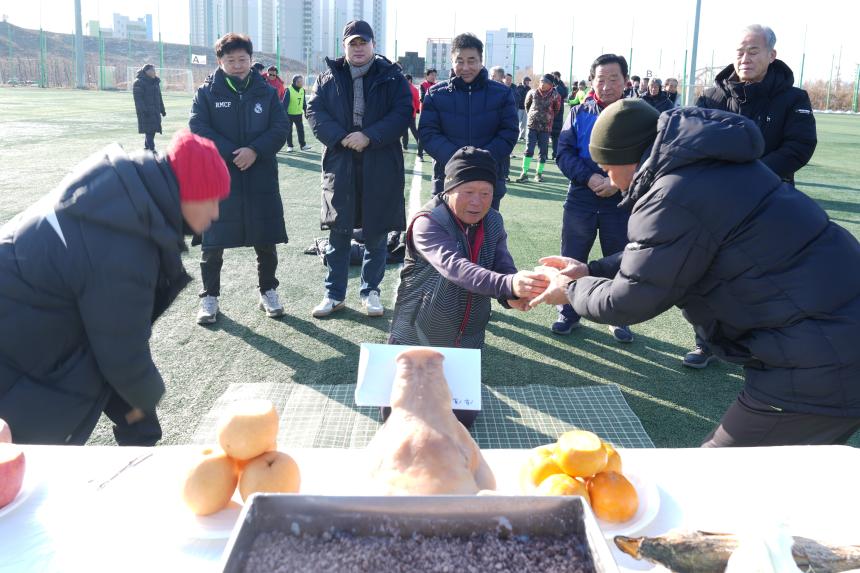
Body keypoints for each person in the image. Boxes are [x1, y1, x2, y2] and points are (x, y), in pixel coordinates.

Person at [530, 99, 860, 448]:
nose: (609, 179)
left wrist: (572, 289)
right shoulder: (708, 168)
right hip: (835, 334)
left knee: (715, 474)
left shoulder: (671, 194)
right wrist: (591, 270)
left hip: (820, 361)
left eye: (606, 167)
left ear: (628, 158)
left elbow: (629, 300)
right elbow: (676, 249)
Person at [0, 129, 230, 445]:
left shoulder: (127, 197)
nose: (215, 213)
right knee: (28, 459)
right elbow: (120, 350)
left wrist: (142, 413)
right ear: (188, 193)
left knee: (129, 403)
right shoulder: (127, 242)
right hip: (15, 338)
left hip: (23, 315)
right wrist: (149, 396)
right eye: (211, 200)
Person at [685, 24, 818, 369]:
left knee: (767, 279)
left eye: (753, 51)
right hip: (717, 204)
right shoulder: (712, 97)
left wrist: (751, 177)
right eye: (740, 52)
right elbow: (693, 143)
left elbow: (799, 146)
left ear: (772, 55)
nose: (745, 58)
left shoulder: (793, 98)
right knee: (706, 275)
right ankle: (706, 343)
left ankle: (764, 348)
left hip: (771, 204)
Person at [389, 147, 549, 428]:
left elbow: (502, 264)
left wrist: (511, 295)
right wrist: (508, 284)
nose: (477, 201)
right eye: (468, 191)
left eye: (486, 193)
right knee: (401, 420)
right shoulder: (427, 222)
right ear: (449, 188)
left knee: (462, 421)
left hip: (468, 336)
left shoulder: (494, 220)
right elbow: (455, 267)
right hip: (418, 331)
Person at [306, 20, 412, 318]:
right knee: (338, 232)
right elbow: (314, 111)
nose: (358, 48)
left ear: (373, 45)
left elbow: (402, 112)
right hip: (341, 160)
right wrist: (342, 137)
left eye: (363, 42)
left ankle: (370, 292)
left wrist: (369, 136)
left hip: (380, 161)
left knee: (376, 233)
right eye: (353, 43)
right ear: (344, 46)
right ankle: (334, 294)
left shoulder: (392, 77)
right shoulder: (328, 77)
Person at [189, 32, 289, 325]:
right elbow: (198, 127)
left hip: (260, 176)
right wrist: (233, 153)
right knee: (212, 242)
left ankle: (268, 291)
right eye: (230, 60)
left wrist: (255, 150)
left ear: (250, 59)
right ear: (220, 61)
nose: (237, 65)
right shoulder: (206, 93)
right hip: (218, 176)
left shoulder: (266, 92)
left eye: (242, 59)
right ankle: (209, 297)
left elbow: (280, 127)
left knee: (265, 238)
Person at [553, 54, 634, 343]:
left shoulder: (637, 116)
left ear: (626, 81)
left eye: (614, 79)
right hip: (581, 197)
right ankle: (568, 312)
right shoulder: (577, 112)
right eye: (601, 79)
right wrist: (589, 178)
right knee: (572, 256)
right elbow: (563, 153)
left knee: (619, 259)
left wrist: (616, 182)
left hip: (621, 199)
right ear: (591, 81)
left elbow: (648, 157)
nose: (607, 85)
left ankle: (618, 316)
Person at [419, 33, 518, 211]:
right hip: (447, 181)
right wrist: (459, 160)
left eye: (471, 61)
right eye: (459, 61)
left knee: (486, 229)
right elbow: (428, 134)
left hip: (488, 181)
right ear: (452, 61)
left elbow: (509, 133)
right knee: (444, 229)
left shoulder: (502, 93)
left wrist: (482, 159)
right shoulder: (436, 94)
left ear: (481, 61)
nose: (465, 67)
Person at [515, 74, 561, 183]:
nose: (542, 84)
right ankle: (524, 173)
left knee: (543, 151)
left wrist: (548, 117)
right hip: (532, 125)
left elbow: (556, 109)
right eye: (541, 81)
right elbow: (527, 105)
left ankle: (538, 174)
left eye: (545, 82)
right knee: (529, 149)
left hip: (546, 127)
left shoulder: (556, 95)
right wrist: (533, 116)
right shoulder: (532, 92)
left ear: (551, 85)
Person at [132, 63, 166, 152]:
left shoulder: (155, 82)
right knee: (149, 131)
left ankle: (147, 147)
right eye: (152, 70)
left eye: (154, 70)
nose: (154, 72)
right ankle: (152, 149)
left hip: (155, 111)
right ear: (147, 71)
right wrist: (144, 111)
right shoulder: (138, 82)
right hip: (146, 112)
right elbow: (138, 100)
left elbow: (159, 97)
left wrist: (162, 109)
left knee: (152, 130)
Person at [283, 74, 311, 152]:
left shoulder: (302, 90)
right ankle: (290, 146)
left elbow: (303, 103)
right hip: (289, 115)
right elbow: (285, 104)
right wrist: (284, 115)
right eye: (299, 81)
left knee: (301, 130)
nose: (302, 83)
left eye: (302, 81)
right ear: (295, 82)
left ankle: (303, 145)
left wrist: (305, 111)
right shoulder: (289, 90)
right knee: (289, 130)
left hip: (298, 114)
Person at [417, 69, 437, 160]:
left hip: (435, 113)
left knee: (435, 133)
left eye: (435, 75)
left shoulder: (437, 85)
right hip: (425, 113)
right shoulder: (422, 85)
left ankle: (433, 152)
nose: (433, 77)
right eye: (432, 75)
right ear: (427, 76)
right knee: (423, 133)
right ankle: (420, 154)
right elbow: (422, 98)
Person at [550, 71, 568, 160]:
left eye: (554, 77)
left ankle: (555, 153)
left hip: (557, 114)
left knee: (555, 135)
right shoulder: (549, 85)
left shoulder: (561, 87)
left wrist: (557, 83)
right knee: (545, 135)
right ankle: (543, 154)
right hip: (548, 114)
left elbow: (563, 94)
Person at [402, 74, 421, 152]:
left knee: (413, 130)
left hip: (410, 113)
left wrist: (417, 109)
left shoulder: (414, 89)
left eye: (407, 79)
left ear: (410, 80)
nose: (405, 81)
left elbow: (417, 100)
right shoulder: (401, 88)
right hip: (403, 113)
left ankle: (420, 144)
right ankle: (404, 145)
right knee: (404, 131)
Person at [515, 77, 531, 141]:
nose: (528, 82)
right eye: (527, 81)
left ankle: (522, 136)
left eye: (528, 81)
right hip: (519, 108)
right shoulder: (518, 87)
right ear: (524, 81)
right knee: (516, 122)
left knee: (524, 124)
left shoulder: (529, 89)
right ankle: (515, 135)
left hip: (526, 108)